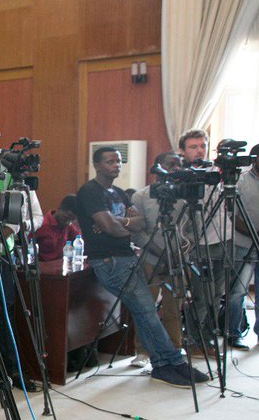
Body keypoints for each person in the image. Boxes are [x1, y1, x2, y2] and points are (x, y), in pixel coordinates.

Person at [76, 147, 208, 387]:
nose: (116, 165)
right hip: (109, 261)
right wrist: (124, 224)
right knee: (147, 311)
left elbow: (140, 224)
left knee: (144, 311)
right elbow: (112, 227)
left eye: (118, 161)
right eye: (110, 161)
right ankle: (172, 362)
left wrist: (119, 222)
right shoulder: (90, 191)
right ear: (96, 165)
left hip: (127, 258)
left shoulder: (118, 192)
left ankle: (163, 363)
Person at [129, 151, 185, 363]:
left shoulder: (184, 195)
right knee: (146, 307)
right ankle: (142, 351)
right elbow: (138, 232)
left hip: (178, 259)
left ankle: (175, 349)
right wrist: (161, 254)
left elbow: (192, 228)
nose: (176, 169)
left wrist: (181, 252)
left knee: (174, 308)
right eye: (171, 164)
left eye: (179, 165)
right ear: (157, 168)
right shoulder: (141, 196)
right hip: (150, 259)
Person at [177, 129, 226, 343]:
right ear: (182, 150)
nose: (199, 151)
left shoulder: (216, 173)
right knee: (202, 295)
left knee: (216, 294)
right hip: (198, 243)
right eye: (193, 147)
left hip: (222, 239)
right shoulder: (181, 176)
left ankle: (209, 335)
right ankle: (195, 338)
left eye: (202, 146)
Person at [226, 144, 259, 350]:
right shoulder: (241, 181)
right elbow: (232, 215)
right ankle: (233, 333)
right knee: (237, 292)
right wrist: (254, 234)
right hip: (243, 244)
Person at [35, 195, 80, 262]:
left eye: (71, 220)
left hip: (62, 265)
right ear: (59, 208)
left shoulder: (68, 225)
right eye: (66, 218)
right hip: (44, 266)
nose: (68, 222)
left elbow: (80, 242)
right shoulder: (41, 225)